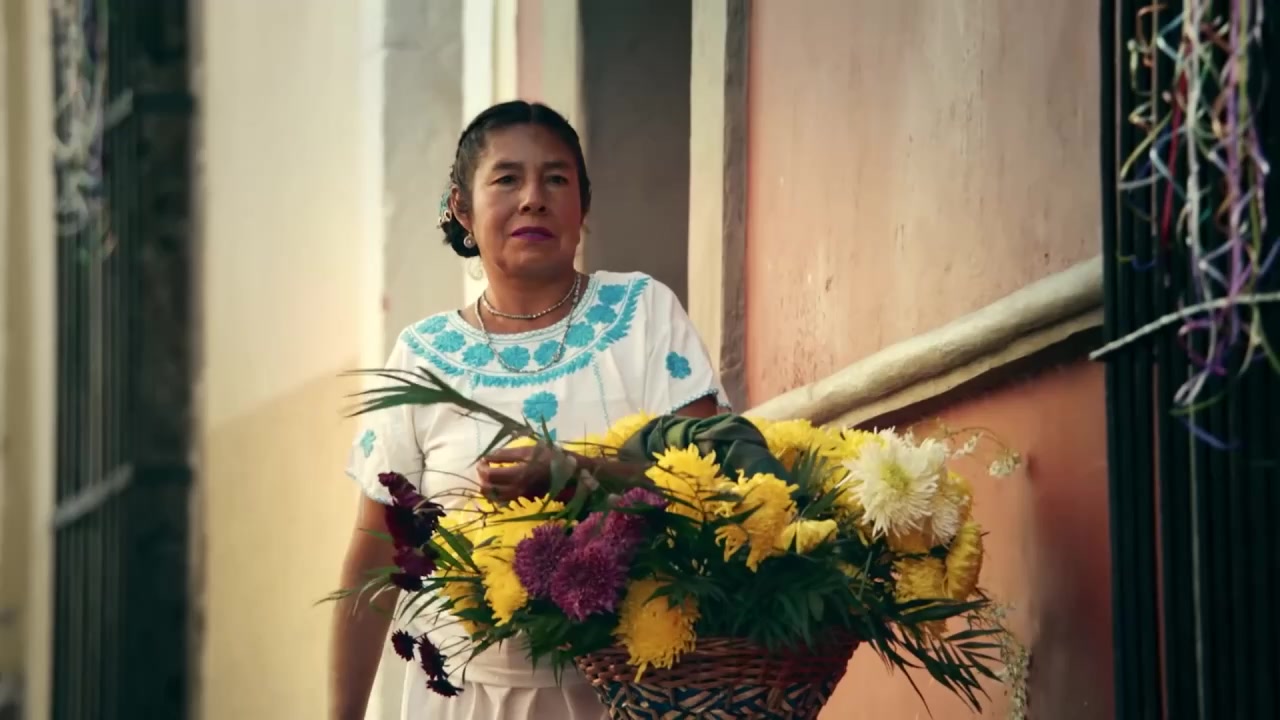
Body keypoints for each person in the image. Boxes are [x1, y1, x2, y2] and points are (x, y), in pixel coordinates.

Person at [329, 100, 730, 720]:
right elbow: (374, 555)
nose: (534, 199)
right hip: (464, 699)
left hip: (632, 692)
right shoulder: (423, 356)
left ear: (583, 206)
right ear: (463, 208)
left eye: (556, 179)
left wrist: (577, 474)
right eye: (507, 178)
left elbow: (715, 479)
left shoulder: (644, 314)